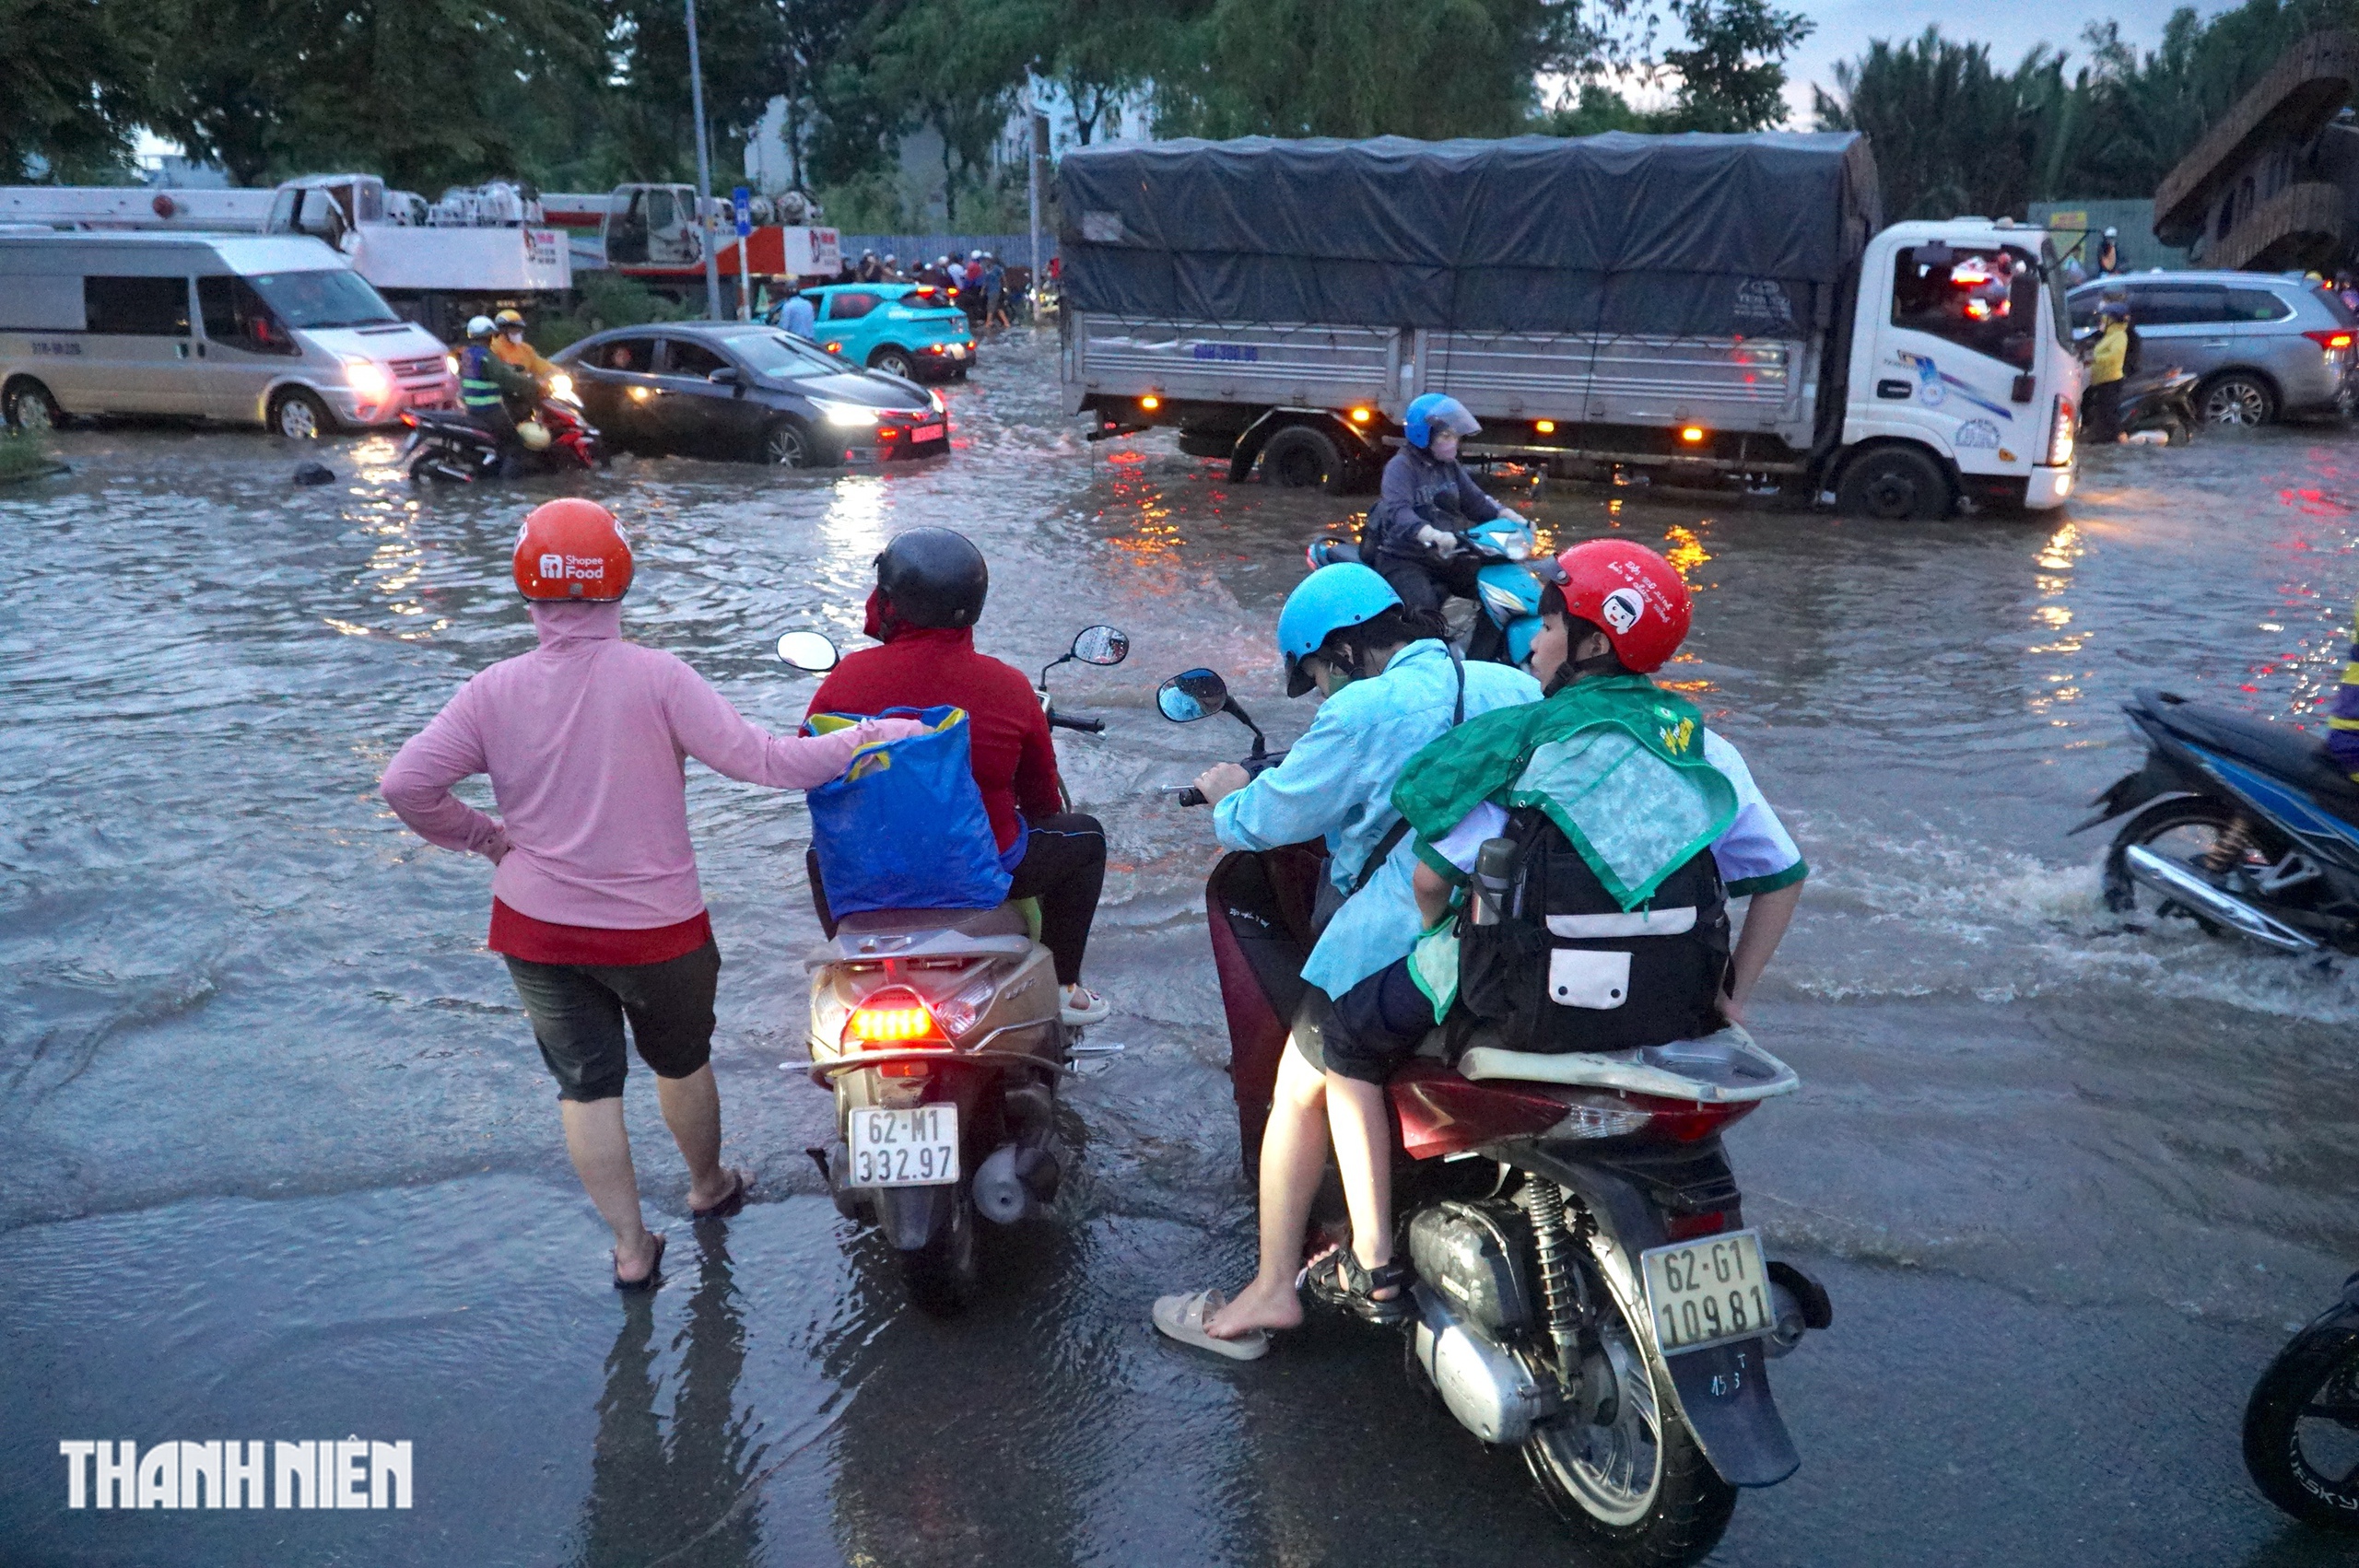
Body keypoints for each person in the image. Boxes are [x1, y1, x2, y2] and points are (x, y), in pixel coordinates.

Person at [381, 500, 921, 1290]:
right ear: (620, 581)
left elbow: (405, 785)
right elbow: (767, 763)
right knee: (681, 1062)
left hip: (536, 931)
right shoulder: (659, 677)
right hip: (657, 932)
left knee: (586, 1089)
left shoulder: (490, 692)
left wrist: (490, 840)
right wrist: (873, 736)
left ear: (525, 587)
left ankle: (633, 1250)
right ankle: (708, 1187)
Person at [1150, 565, 1543, 1356]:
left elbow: (1267, 821)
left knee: (1301, 1086)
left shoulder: (1363, 708)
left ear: (1343, 651)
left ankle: (1272, 1290)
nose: (1325, 693)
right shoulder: (1513, 687)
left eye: (1321, 677)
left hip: (1403, 933)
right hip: (1513, 928)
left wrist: (1227, 792)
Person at [804, 529, 1112, 1025]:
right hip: (987, 874)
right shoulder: (1009, 686)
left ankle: (850, 970)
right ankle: (1061, 987)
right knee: (1087, 838)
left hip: (869, 873)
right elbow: (1041, 803)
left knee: (820, 854)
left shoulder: (845, 680)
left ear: (890, 603)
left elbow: (811, 776)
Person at [1363, 392, 1519, 659]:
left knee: (1502, 592)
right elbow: (1398, 512)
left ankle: (1483, 660)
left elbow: (1476, 503)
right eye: (1446, 436)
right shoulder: (1400, 468)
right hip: (1404, 558)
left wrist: (1510, 516)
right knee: (1426, 616)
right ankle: (1431, 667)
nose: (1453, 443)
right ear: (1424, 436)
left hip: (1446, 554)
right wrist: (1429, 533)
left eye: (1455, 436)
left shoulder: (1449, 467)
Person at [455, 314, 537, 463]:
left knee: (500, 441)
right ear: (488, 336)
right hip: (489, 410)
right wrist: (534, 385)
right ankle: (508, 482)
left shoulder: (468, 354)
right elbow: (505, 378)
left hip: (472, 408)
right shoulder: (486, 355)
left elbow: (490, 370)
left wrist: (512, 368)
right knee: (515, 443)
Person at [2083, 295, 2139, 444]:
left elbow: (2114, 357)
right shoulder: (2108, 335)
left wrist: (2093, 360)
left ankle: (2122, 439)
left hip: (2111, 379)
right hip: (2101, 378)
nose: (2102, 321)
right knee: (2098, 409)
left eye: (2105, 318)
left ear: (2112, 320)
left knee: (2109, 413)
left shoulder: (2119, 336)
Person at [488, 308, 559, 383]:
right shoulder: (493, 348)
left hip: (525, 388)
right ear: (503, 329)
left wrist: (557, 372)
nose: (518, 331)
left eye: (519, 328)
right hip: (505, 390)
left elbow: (539, 363)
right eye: (514, 328)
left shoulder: (526, 348)